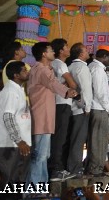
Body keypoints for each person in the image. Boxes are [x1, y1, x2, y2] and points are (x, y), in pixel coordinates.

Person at [27, 41, 78, 184]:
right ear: (44, 54)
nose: (53, 52)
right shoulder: (42, 70)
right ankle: (35, 186)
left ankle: (41, 184)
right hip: (41, 116)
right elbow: (53, 83)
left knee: (43, 154)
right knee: (40, 154)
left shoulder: (43, 69)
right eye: (50, 50)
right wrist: (67, 91)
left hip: (44, 116)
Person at [0, 61, 33, 185]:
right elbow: (8, 117)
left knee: (15, 182)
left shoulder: (19, 89)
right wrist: (19, 140)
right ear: (16, 75)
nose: (27, 72)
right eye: (24, 70)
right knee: (4, 181)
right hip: (8, 145)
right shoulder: (10, 91)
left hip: (19, 145)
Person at [49, 37, 78, 180]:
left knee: (58, 137)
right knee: (59, 138)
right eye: (66, 47)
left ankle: (56, 168)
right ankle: (56, 170)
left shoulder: (55, 64)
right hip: (61, 102)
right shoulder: (60, 64)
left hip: (58, 103)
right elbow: (72, 84)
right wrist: (74, 89)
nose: (69, 49)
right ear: (61, 51)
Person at [87, 46, 109, 176]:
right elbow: (100, 92)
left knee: (99, 140)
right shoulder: (97, 69)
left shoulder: (97, 68)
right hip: (99, 108)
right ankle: (95, 169)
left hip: (99, 107)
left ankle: (96, 168)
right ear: (104, 56)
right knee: (98, 141)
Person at [67, 42, 92, 176]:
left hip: (74, 107)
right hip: (81, 109)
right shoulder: (81, 68)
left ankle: (73, 167)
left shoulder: (71, 66)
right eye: (86, 50)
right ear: (81, 54)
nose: (88, 52)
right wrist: (87, 107)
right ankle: (75, 168)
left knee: (75, 138)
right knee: (78, 139)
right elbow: (85, 89)